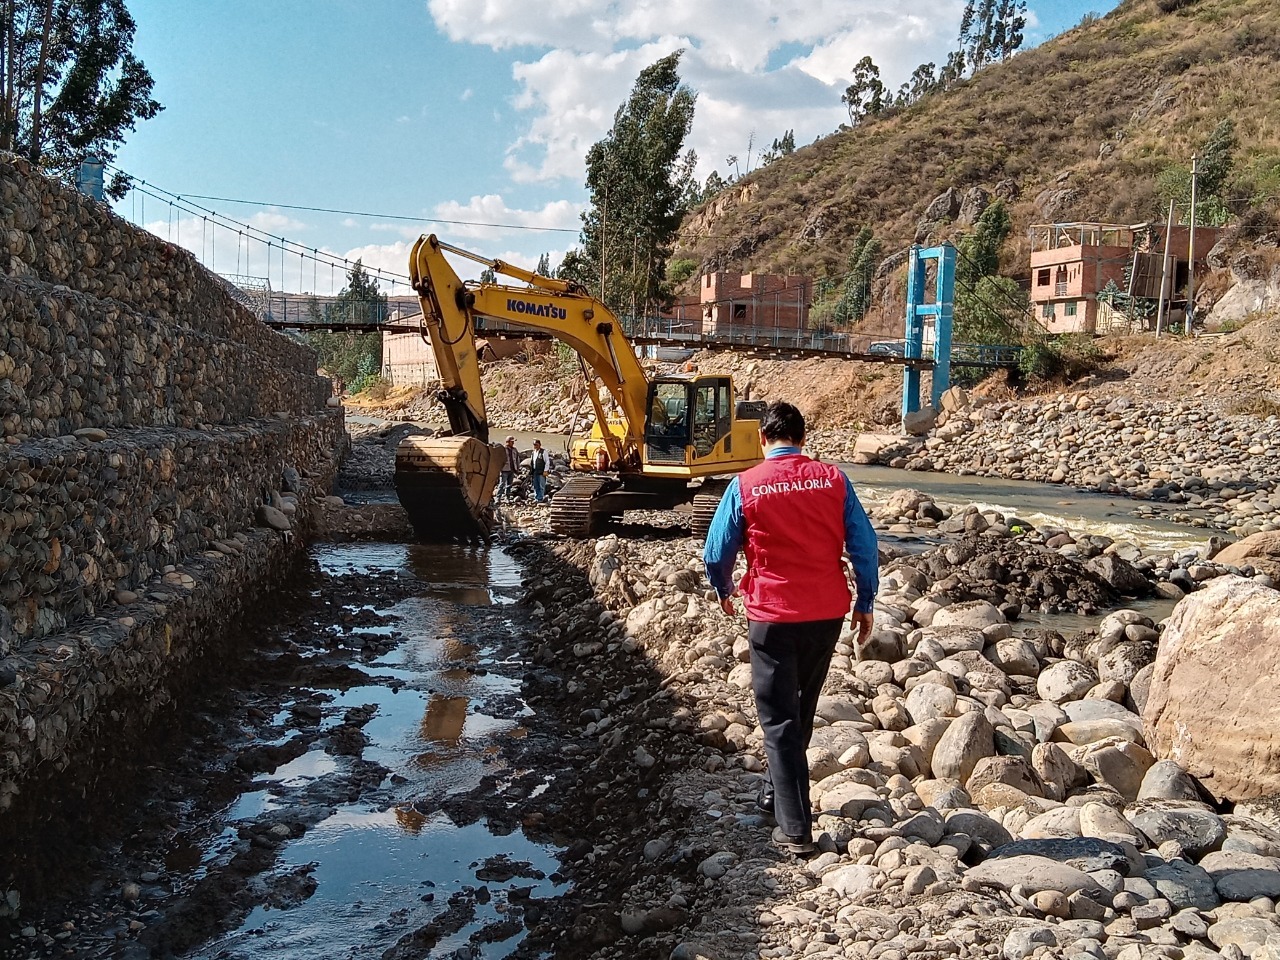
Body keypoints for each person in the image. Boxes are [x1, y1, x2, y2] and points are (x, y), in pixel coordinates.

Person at [703, 400, 878, 856]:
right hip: (826, 614)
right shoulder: (834, 479)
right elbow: (864, 544)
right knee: (800, 708)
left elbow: (716, 550)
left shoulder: (746, 484)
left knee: (778, 717)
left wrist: (723, 589)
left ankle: (795, 828)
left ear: (763, 439)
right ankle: (773, 794)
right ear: (803, 438)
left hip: (772, 615)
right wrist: (866, 602)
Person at [497, 436, 519, 500]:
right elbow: (499, 460)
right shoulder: (503, 449)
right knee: (502, 485)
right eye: (512, 442)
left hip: (512, 470)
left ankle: (508, 498)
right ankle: (498, 498)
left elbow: (517, 459)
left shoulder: (514, 449)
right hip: (504, 470)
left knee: (509, 485)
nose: (513, 443)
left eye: (513, 442)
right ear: (507, 442)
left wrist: (517, 468)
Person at [529, 438, 548, 503]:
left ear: (540, 445)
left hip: (541, 471)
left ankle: (540, 498)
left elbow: (547, 462)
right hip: (535, 471)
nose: (535, 446)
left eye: (536, 445)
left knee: (541, 485)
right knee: (535, 485)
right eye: (534, 445)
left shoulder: (544, 452)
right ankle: (536, 497)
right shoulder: (533, 452)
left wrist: (546, 470)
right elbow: (532, 462)